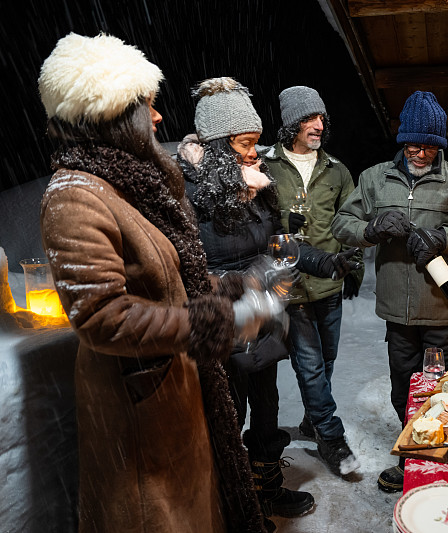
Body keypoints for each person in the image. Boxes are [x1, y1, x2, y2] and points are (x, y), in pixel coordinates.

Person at [38, 34, 275, 533]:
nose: (159, 116)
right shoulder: (75, 195)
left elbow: (169, 277)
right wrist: (205, 323)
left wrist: (225, 287)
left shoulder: (132, 185)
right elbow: (101, 318)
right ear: (112, 115)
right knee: (156, 516)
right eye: (146, 105)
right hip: (138, 409)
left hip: (174, 394)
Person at [177, 77, 362, 521]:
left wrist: (324, 262)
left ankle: (267, 487)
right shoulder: (189, 195)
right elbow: (186, 269)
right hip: (223, 327)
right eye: (244, 143)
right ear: (219, 144)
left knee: (266, 410)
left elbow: (279, 243)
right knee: (227, 416)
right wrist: (238, 287)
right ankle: (233, 505)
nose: (253, 152)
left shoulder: (255, 187)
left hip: (261, 322)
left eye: (255, 142)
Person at [331, 90, 448, 492]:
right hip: (397, 313)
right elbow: (341, 224)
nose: (420, 154)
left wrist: (445, 238)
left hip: (442, 312)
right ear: (402, 141)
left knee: (447, 394)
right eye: (413, 145)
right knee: (403, 391)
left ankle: (445, 464)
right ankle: (414, 456)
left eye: (429, 147)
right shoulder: (375, 179)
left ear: (440, 145)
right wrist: (372, 228)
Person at [259, 86, 363, 477]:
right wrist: (283, 227)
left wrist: (354, 268)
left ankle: (312, 418)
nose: (318, 125)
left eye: (321, 118)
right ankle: (330, 436)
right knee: (311, 365)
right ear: (291, 124)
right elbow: (257, 225)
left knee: (327, 358)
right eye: (309, 119)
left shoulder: (336, 170)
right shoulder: (267, 166)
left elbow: (352, 222)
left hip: (329, 282)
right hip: (289, 285)